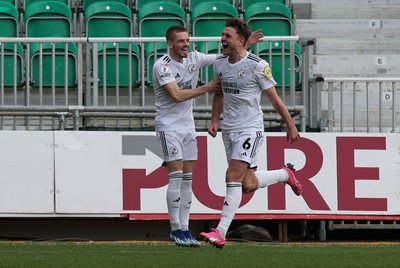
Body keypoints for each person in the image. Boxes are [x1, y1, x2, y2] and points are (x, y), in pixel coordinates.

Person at [153, 26, 264, 247]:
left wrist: (246, 45)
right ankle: (175, 229)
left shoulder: (195, 58)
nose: (186, 44)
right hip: (168, 127)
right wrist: (208, 88)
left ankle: (185, 230)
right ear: (170, 44)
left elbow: (225, 56)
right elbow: (176, 95)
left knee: (187, 180)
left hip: (188, 127)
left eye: (187, 40)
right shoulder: (162, 65)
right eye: (181, 41)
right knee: (175, 177)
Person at [199, 18, 302, 249]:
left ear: (240, 40)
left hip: (250, 129)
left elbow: (274, 98)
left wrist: (290, 124)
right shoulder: (220, 64)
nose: (222, 38)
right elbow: (219, 93)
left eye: (227, 35)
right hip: (229, 130)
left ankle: (220, 231)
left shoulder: (257, 65)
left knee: (232, 176)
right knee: (247, 184)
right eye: (222, 35)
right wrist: (215, 120)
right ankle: (285, 174)